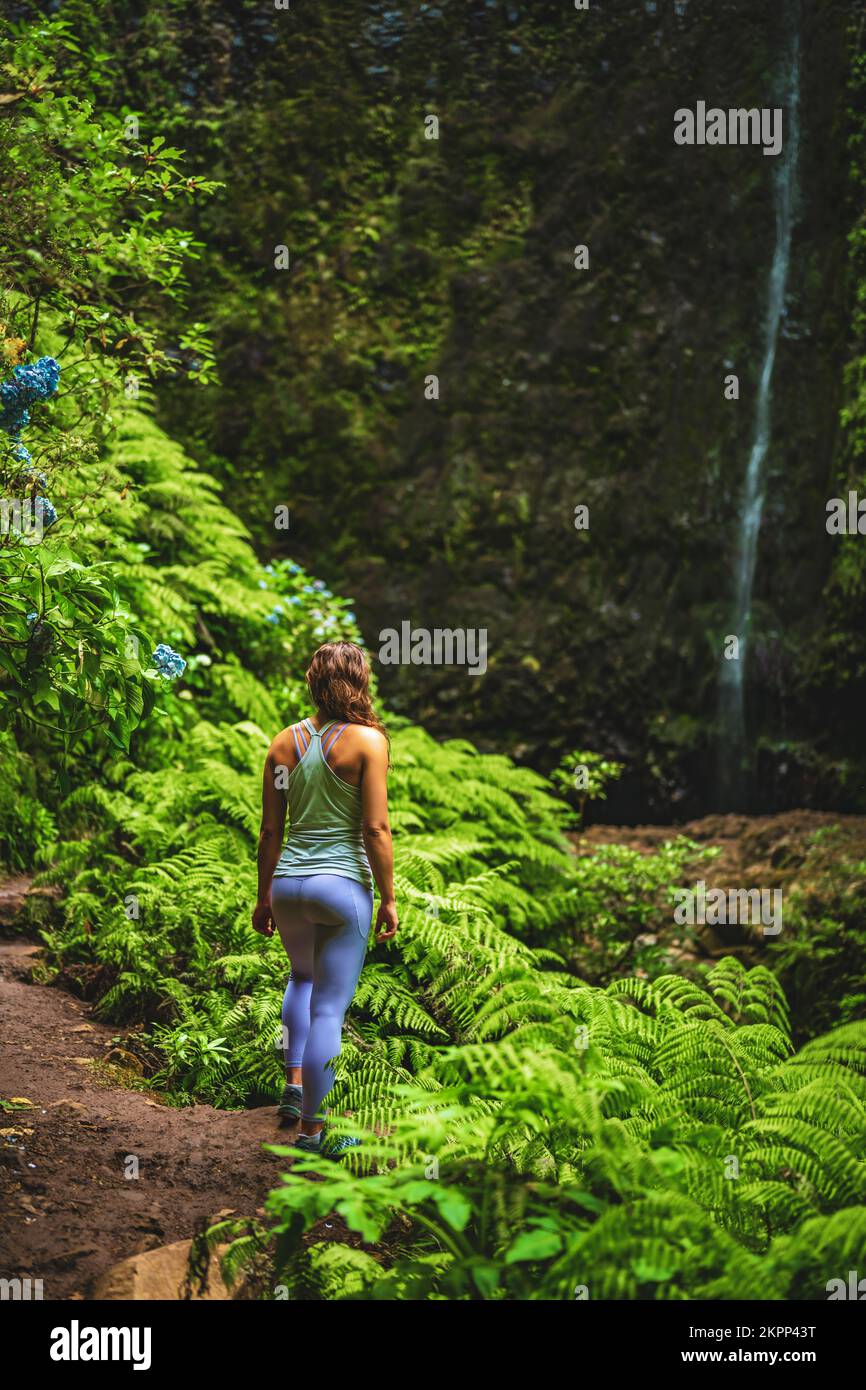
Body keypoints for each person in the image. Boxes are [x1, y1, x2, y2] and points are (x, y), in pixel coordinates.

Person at [252, 641, 398, 1157]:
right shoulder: (368, 743)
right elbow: (376, 828)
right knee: (330, 1010)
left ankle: (293, 1085)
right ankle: (314, 1134)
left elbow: (271, 832)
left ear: (315, 680)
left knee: (301, 979)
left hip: (289, 884)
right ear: (360, 682)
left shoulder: (282, 744)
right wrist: (388, 898)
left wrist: (265, 896)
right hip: (342, 888)